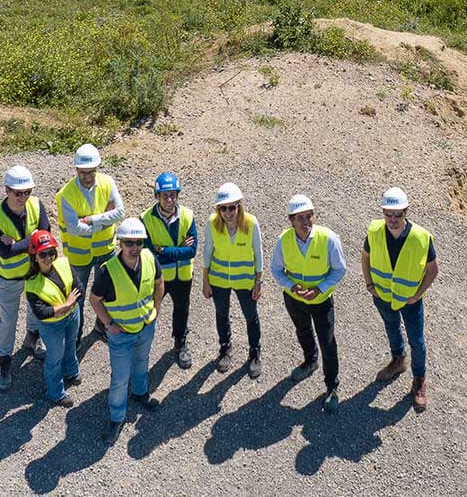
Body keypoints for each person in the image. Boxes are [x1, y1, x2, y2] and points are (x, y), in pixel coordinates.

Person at [89, 218, 165, 444]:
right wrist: (108, 324)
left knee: (142, 363)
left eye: (139, 243)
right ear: (120, 243)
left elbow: (160, 282)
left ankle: (140, 393)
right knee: (120, 377)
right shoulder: (108, 271)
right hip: (121, 335)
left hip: (145, 327)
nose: (134, 248)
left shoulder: (150, 259)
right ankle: (116, 417)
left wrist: (156, 310)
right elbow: (94, 300)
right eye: (129, 243)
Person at [362, 187, 439, 410]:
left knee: (417, 341)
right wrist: (370, 285)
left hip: (410, 301)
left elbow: (433, 269)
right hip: (383, 297)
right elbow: (365, 257)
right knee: (392, 328)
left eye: (398, 214)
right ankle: (398, 361)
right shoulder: (375, 231)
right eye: (389, 214)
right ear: (383, 212)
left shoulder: (421, 238)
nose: (393, 219)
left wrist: (418, 294)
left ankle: (419, 380)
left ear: (406, 212)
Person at [271, 194, 346, 412]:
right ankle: (310, 361)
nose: (305, 222)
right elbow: (276, 270)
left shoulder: (329, 238)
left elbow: (339, 269)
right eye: (299, 218)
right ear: (291, 220)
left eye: (309, 216)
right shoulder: (283, 240)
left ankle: (332, 387)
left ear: (314, 216)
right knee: (302, 330)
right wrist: (291, 286)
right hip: (295, 299)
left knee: (328, 342)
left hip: (321, 301)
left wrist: (320, 289)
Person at [0, 165, 48, 391]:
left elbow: (45, 237)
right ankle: (4, 361)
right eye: (18, 193)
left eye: (27, 192)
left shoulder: (37, 205)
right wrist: (32, 241)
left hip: (33, 272)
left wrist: (20, 243)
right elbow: (4, 252)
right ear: (7, 190)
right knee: (8, 320)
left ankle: (32, 337)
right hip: (9, 278)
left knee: (34, 309)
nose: (23, 197)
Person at [55, 143, 125, 348]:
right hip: (79, 257)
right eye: (83, 172)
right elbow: (74, 228)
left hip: (106, 250)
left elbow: (120, 213)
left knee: (107, 291)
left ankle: (101, 326)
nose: (88, 176)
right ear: (76, 170)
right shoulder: (66, 194)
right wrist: (106, 222)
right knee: (78, 298)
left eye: (91, 171)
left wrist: (94, 219)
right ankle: (75, 337)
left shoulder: (107, 183)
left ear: (97, 168)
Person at [202, 181, 264, 378]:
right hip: (219, 279)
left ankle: (254, 353)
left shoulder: (251, 223)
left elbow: (258, 254)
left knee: (250, 316)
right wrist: (205, 280)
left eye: (232, 207)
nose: (228, 213)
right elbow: (206, 253)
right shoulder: (212, 223)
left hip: (245, 281)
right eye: (223, 209)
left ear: (239, 205)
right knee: (222, 314)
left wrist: (258, 281)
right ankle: (225, 349)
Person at [141, 172, 198, 369]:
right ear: (157, 196)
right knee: (149, 309)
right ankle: (141, 347)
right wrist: (177, 250)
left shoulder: (188, 216)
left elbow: (191, 251)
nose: (169, 199)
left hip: (183, 277)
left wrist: (163, 250)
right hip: (158, 278)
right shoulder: (146, 219)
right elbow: (148, 255)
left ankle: (180, 343)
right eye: (165, 195)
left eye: (173, 194)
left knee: (181, 310)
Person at [22, 230, 81, 407]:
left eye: (51, 252)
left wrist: (65, 307)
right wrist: (67, 304)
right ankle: (56, 393)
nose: (48, 257)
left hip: (72, 315)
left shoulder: (63, 263)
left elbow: (79, 287)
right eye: (43, 254)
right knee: (55, 357)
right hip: (52, 326)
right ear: (35, 257)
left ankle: (71, 371)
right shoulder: (32, 284)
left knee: (71, 344)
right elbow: (42, 313)